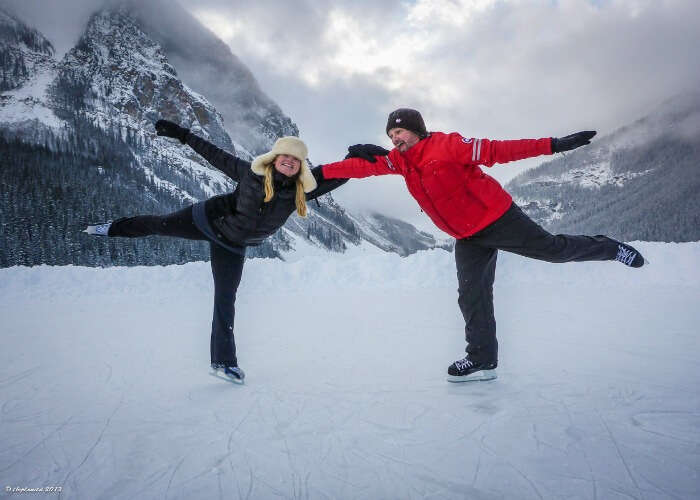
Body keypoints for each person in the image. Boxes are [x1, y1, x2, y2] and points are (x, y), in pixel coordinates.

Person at [323, 108, 645, 382]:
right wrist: (316, 173)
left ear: (418, 131)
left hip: (498, 218)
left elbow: (498, 150)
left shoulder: (448, 146)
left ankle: (608, 247)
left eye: (400, 131)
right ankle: (482, 360)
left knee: (554, 251)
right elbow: (360, 168)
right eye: (391, 135)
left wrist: (554, 145)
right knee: (472, 295)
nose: (395, 139)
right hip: (467, 236)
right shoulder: (399, 162)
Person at [84, 119, 348, 383]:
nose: (290, 161)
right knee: (159, 224)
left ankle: (223, 362)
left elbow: (335, 175)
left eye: (296, 159)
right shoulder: (250, 173)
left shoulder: (299, 191)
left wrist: (359, 158)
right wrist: (183, 135)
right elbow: (215, 155)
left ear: (301, 166)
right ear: (274, 158)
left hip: (232, 245)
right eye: (285, 156)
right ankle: (111, 228)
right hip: (206, 219)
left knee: (225, 299)